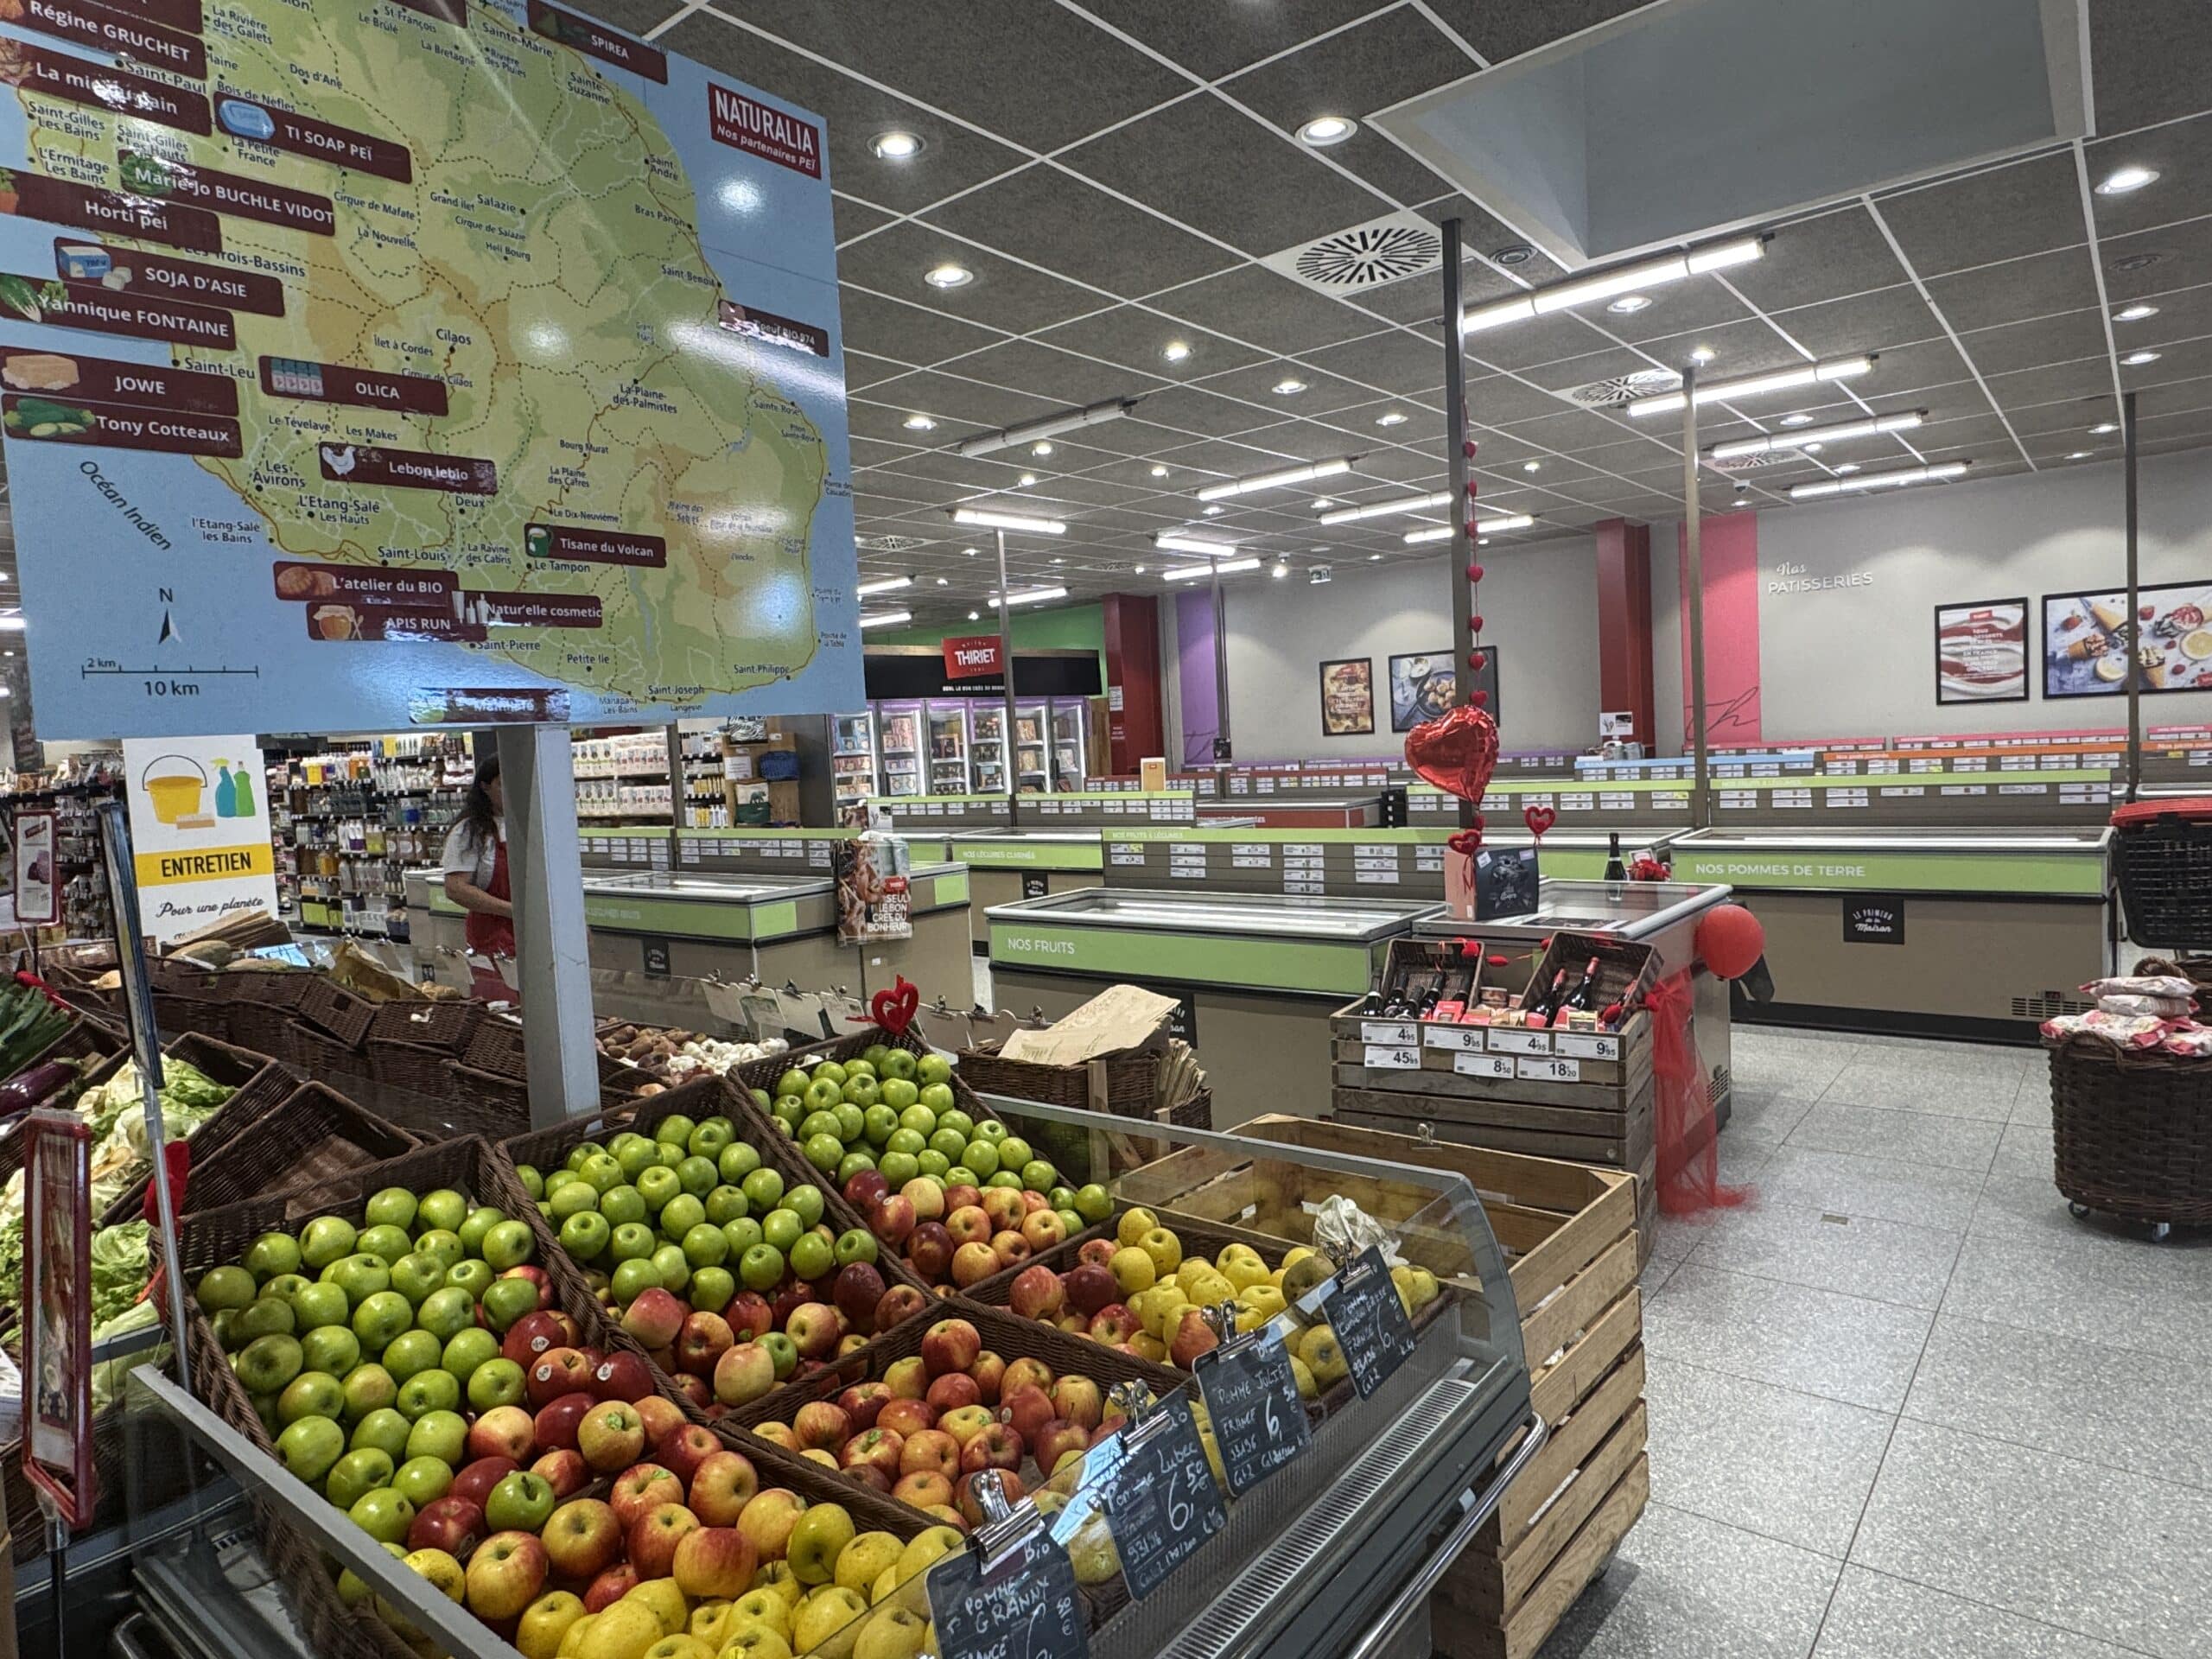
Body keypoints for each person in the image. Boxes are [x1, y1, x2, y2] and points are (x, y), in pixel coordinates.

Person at [442, 754, 513, 960]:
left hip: (532, 932)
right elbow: (455, 888)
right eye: (502, 784)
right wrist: (511, 911)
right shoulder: (469, 831)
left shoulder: (527, 824)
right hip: (492, 938)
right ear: (485, 787)